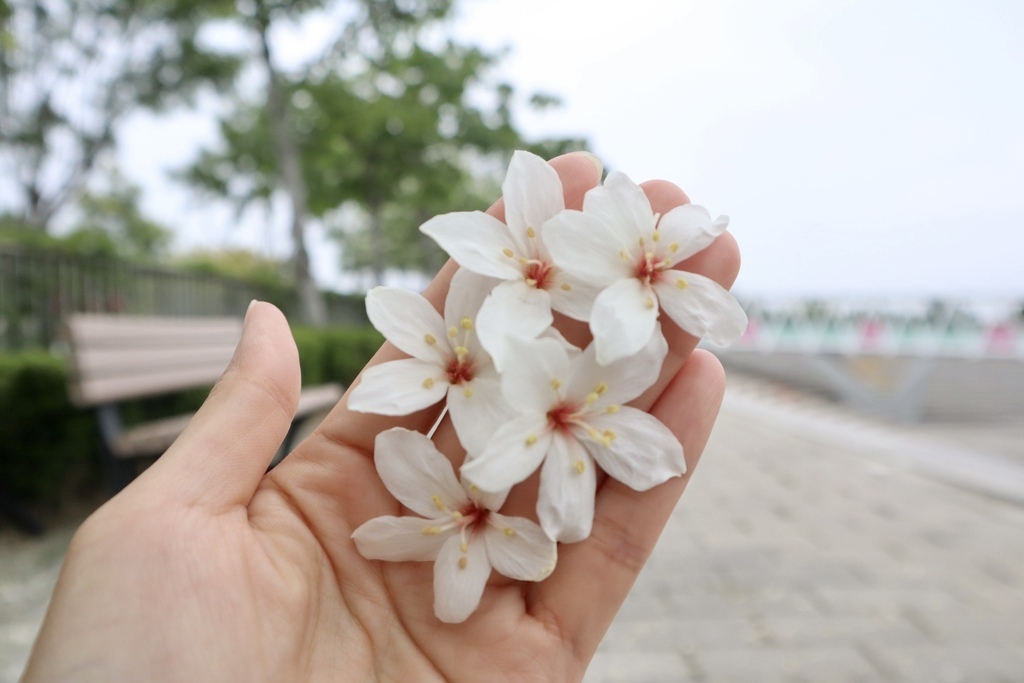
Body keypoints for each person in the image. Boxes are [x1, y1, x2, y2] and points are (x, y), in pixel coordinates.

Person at [22, 152, 741, 682]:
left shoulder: (586, 325)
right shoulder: (489, 339)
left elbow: (593, 390)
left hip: (531, 434)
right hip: (493, 452)